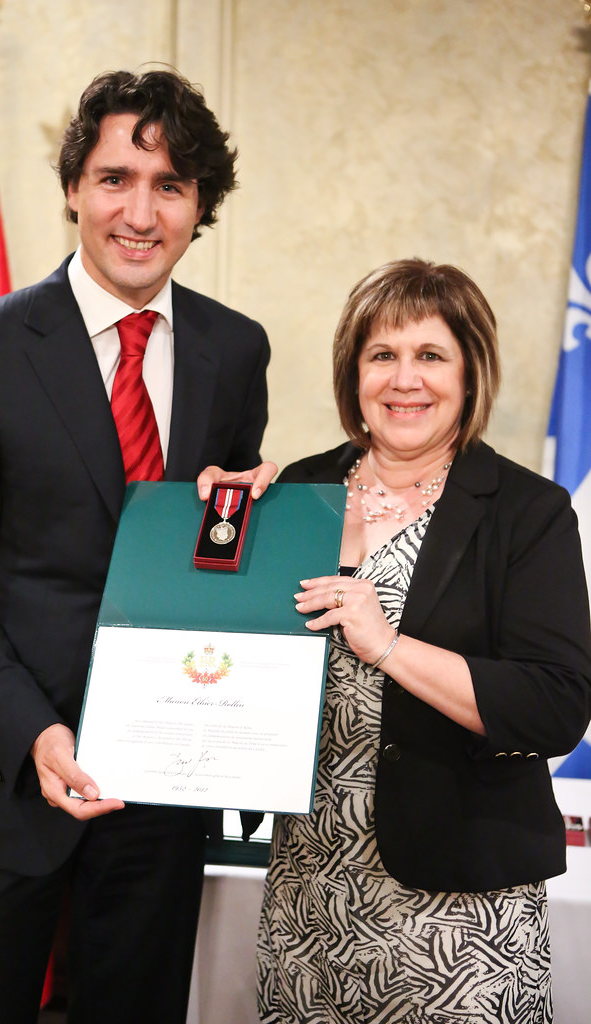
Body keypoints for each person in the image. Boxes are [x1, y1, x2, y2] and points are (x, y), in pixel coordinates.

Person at [0, 69, 274, 1024]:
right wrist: (35, 732)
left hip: (163, 797)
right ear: (73, 186)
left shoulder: (235, 351)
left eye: (171, 185)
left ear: (202, 206)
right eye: (115, 178)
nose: (140, 212)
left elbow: (221, 556)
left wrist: (257, 523)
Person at [257, 258, 591, 1022]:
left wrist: (387, 646)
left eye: (430, 355)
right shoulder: (296, 492)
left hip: (460, 916)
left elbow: (551, 707)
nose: (404, 379)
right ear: (353, 374)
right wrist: (213, 526)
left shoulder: (526, 512)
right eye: (382, 355)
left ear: (469, 374)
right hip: (310, 892)